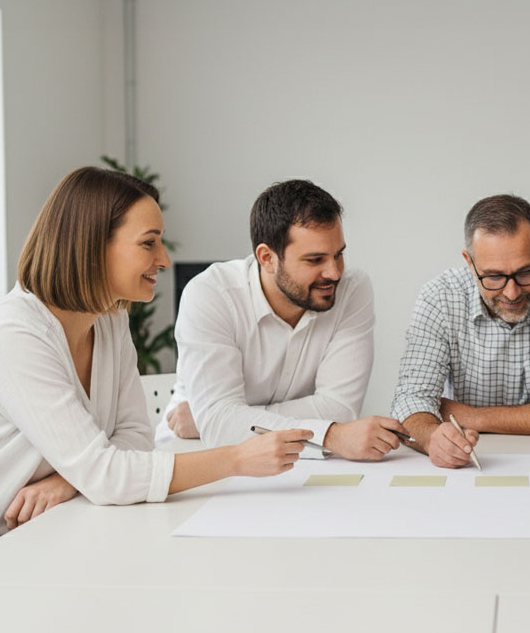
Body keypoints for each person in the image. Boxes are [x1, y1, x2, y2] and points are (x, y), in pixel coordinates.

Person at [0, 168, 310, 559]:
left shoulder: (109, 319)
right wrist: (237, 458)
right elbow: (106, 474)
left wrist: (68, 480)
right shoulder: (14, 333)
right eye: (149, 243)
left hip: (48, 520)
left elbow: (133, 438)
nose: (163, 259)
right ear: (91, 245)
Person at [158, 179, 408, 460]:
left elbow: (340, 408)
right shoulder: (211, 295)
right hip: (199, 455)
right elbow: (219, 429)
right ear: (267, 258)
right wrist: (331, 434)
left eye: (338, 255)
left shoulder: (352, 289)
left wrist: (224, 419)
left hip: (299, 461)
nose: (335, 273)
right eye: (315, 260)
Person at [391, 194, 530, 468]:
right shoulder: (440, 296)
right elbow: (410, 401)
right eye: (494, 277)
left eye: (527, 272)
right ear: (469, 262)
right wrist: (433, 437)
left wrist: (472, 417)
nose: (512, 292)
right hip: (471, 461)